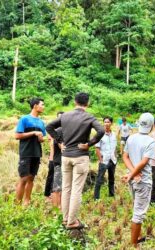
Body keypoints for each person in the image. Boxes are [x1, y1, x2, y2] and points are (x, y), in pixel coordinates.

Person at [46, 92, 104, 230]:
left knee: (66, 188)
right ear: (87, 103)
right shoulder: (89, 117)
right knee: (76, 190)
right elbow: (101, 131)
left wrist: (60, 141)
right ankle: (72, 221)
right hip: (80, 156)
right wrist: (89, 143)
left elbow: (48, 127)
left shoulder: (65, 115)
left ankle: (66, 219)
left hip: (66, 156)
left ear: (74, 102)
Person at [122, 113, 155, 249]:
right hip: (143, 180)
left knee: (137, 207)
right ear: (152, 126)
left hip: (135, 179)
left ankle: (136, 237)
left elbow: (125, 157)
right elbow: (143, 162)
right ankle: (134, 244)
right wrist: (133, 175)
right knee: (138, 213)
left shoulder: (131, 137)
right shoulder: (150, 141)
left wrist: (132, 173)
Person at [15, 97, 46, 206]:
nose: (43, 107)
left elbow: (42, 139)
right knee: (23, 178)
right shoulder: (24, 119)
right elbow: (17, 135)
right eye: (42, 104)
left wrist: (41, 138)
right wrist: (33, 133)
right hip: (26, 153)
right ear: (35, 106)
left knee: (31, 178)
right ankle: (17, 205)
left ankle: (27, 202)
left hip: (36, 153)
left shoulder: (42, 122)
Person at [94, 117, 117, 200]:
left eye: (108, 122)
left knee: (112, 179)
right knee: (99, 179)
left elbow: (115, 147)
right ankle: (96, 198)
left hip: (112, 160)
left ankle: (111, 195)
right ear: (103, 123)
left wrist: (115, 158)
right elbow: (97, 148)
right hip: (104, 160)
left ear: (111, 123)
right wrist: (101, 160)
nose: (106, 124)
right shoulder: (100, 134)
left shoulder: (114, 134)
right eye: (105, 122)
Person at [44, 111, 63, 206]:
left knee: (58, 183)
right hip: (55, 158)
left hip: (58, 158)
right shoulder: (55, 131)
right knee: (54, 180)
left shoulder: (62, 131)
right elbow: (54, 145)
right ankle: (48, 196)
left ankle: (59, 203)